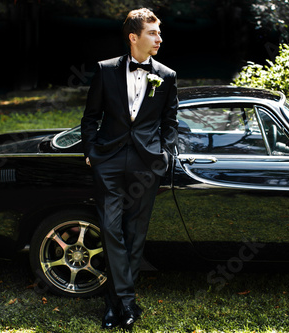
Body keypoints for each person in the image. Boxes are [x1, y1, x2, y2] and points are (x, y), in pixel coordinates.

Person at [80, 8, 178, 330]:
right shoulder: (105, 70)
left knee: (135, 235)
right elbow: (90, 117)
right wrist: (93, 152)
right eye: (153, 33)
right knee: (111, 230)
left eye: (159, 33)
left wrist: (164, 153)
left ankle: (114, 305)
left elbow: (170, 122)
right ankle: (126, 303)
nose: (159, 38)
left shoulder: (166, 75)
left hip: (146, 163)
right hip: (109, 162)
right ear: (134, 37)